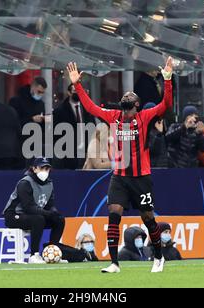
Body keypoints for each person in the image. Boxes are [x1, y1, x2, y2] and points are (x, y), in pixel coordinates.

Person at [67, 57, 174, 274]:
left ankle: (159, 257)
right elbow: (90, 107)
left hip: (141, 177)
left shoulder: (145, 116)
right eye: (125, 94)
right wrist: (77, 84)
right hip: (120, 176)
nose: (126, 94)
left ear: (137, 104)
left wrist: (168, 79)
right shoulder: (114, 116)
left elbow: (166, 104)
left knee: (148, 218)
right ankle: (115, 263)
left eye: (130, 95)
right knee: (114, 214)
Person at [3, 158, 66, 264]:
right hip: (14, 215)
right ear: (34, 169)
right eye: (42, 168)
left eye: (47, 169)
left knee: (59, 220)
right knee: (38, 219)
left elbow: (50, 205)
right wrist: (48, 213)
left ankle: (52, 252)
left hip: (32, 215)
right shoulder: (25, 183)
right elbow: (28, 207)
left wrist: (54, 212)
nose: (45, 171)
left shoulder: (49, 184)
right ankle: (34, 255)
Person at [53, 84, 95, 170]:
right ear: (69, 93)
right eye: (75, 91)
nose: (78, 93)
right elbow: (56, 134)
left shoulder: (88, 108)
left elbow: (92, 127)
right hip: (68, 152)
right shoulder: (60, 111)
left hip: (85, 150)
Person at [143, 102, 169, 168]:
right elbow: (151, 150)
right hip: (151, 167)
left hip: (163, 167)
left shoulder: (160, 126)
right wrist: (159, 134)